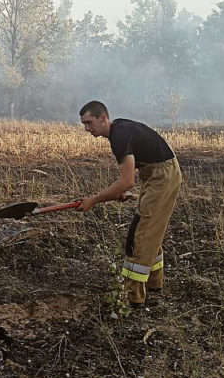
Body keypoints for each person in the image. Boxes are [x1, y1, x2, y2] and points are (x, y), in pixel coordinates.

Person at [75, 100, 183, 308]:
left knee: (140, 235)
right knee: (150, 230)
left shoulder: (119, 136)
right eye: (84, 125)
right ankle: (153, 284)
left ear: (103, 118)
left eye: (89, 123)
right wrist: (119, 192)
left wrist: (94, 200)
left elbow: (127, 180)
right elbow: (132, 176)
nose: (87, 129)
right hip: (158, 174)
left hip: (162, 176)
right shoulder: (120, 129)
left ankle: (133, 297)